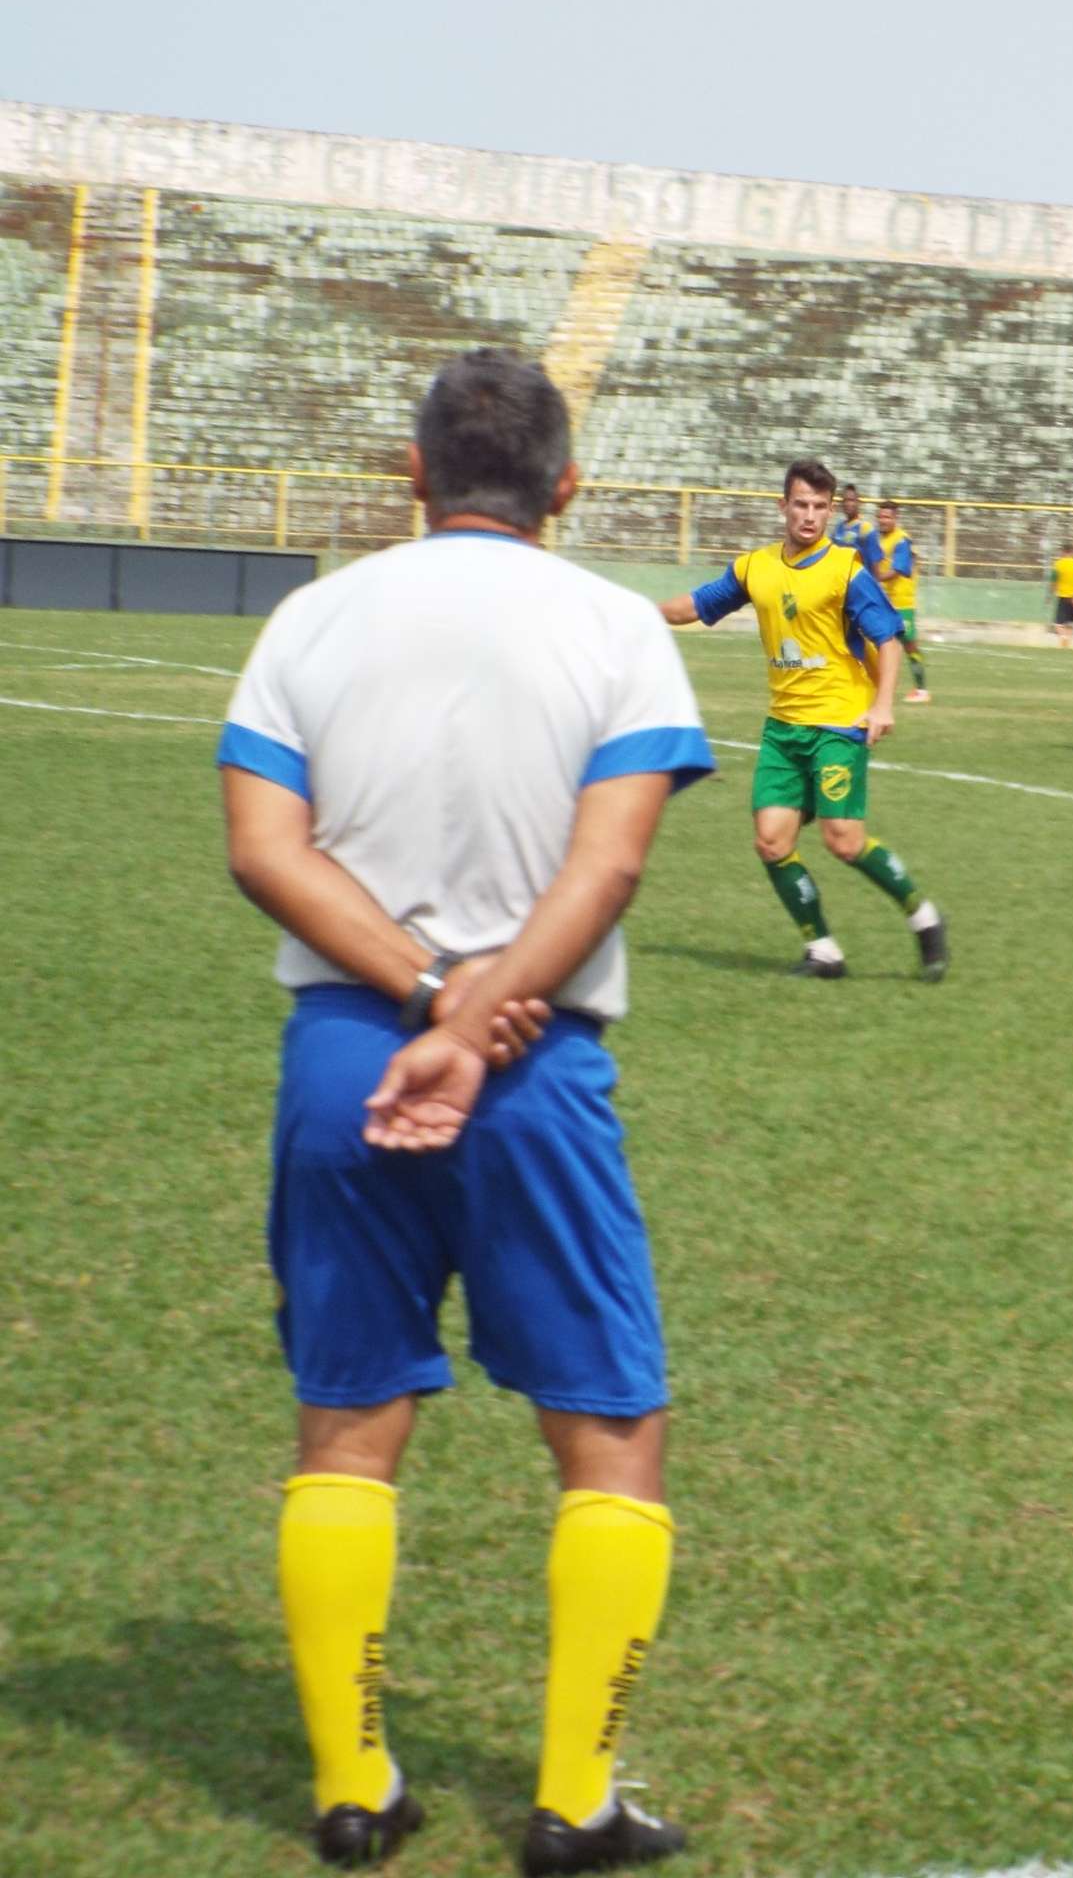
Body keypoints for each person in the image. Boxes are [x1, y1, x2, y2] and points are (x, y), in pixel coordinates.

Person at [218, 348, 712, 1872]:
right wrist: (483, 1009)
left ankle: (355, 1789)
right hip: (532, 1065)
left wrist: (425, 989)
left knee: (348, 1422)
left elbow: (265, 850)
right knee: (607, 1432)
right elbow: (609, 867)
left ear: (411, 474)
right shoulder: (617, 627)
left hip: (342, 1063)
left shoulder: (313, 615)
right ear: (565, 488)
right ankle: (575, 1800)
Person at [658, 460, 950, 981]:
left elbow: (887, 637)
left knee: (844, 840)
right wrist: (633, 612)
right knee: (771, 841)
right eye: (801, 505)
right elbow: (696, 606)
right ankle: (823, 951)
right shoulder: (755, 567)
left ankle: (925, 918)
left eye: (820, 506)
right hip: (783, 730)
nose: (810, 516)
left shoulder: (845, 568)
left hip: (839, 723)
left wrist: (883, 705)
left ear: (830, 510)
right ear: (783, 507)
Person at [872, 498, 931, 703]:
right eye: (880, 516)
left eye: (887, 517)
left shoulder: (902, 540)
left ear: (895, 518)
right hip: (885, 601)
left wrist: (875, 578)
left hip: (902, 603)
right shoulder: (879, 540)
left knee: (909, 645)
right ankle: (881, 686)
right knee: (880, 644)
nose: (883, 520)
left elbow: (900, 570)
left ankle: (922, 690)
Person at [1049, 544, 1073, 648]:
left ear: (1063, 552)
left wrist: (1050, 594)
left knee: (1058, 623)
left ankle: (1063, 638)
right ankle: (1067, 643)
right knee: (1071, 622)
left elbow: (1054, 581)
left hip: (1063, 596)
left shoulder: (1058, 564)